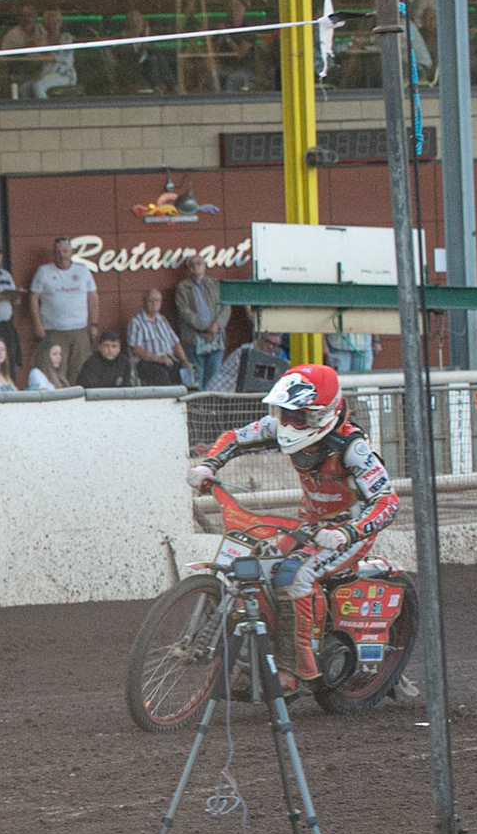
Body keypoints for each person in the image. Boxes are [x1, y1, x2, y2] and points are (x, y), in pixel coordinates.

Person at [189, 365, 399, 686]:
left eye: (297, 416)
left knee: (294, 575)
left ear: (320, 415)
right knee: (261, 562)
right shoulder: (280, 426)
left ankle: (296, 666)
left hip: (348, 532)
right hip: (309, 523)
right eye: (283, 413)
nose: (287, 423)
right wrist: (208, 465)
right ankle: (259, 648)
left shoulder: (351, 447)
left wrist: (347, 533)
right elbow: (235, 437)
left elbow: (388, 501)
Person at [28, 237, 99, 385]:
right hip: (54, 330)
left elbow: (93, 298)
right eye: (58, 252)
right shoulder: (44, 271)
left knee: (79, 370)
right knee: (56, 371)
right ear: (53, 254)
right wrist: (37, 324)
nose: (62, 255)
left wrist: (94, 324)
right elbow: (33, 298)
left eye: (65, 251)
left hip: (79, 330)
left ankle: (77, 397)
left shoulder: (83, 270)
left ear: (72, 252)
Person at [175, 255, 231, 389]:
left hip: (216, 338)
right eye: (192, 265)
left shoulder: (215, 284)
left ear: (205, 266)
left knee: (214, 379)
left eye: (199, 263)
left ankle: (210, 403)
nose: (196, 267)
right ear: (188, 269)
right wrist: (206, 327)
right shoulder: (183, 287)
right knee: (197, 381)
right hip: (194, 339)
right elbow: (184, 311)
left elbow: (226, 307)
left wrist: (217, 325)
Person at [127, 288, 188, 386]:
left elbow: (175, 343)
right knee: (161, 374)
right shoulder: (136, 322)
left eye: (157, 300)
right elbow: (136, 349)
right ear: (144, 302)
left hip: (168, 359)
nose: (154, 303)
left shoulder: (162, 320)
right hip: (147, 361)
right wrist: (158, 359)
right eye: (150, 300)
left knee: (186, 373)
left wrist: (184, 361)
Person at [21, 9, 77, 99]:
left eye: (57, 21)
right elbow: (32, 54)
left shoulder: (66, 38)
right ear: (45, 24)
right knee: (24, 88)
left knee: (38, 85)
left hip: (62, 73)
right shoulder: (41, 40)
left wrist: (47, 56)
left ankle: (45, 107)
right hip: (44, 72)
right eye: (51, 22)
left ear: (60, 23)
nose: (54, 24)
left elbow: (62, 57)